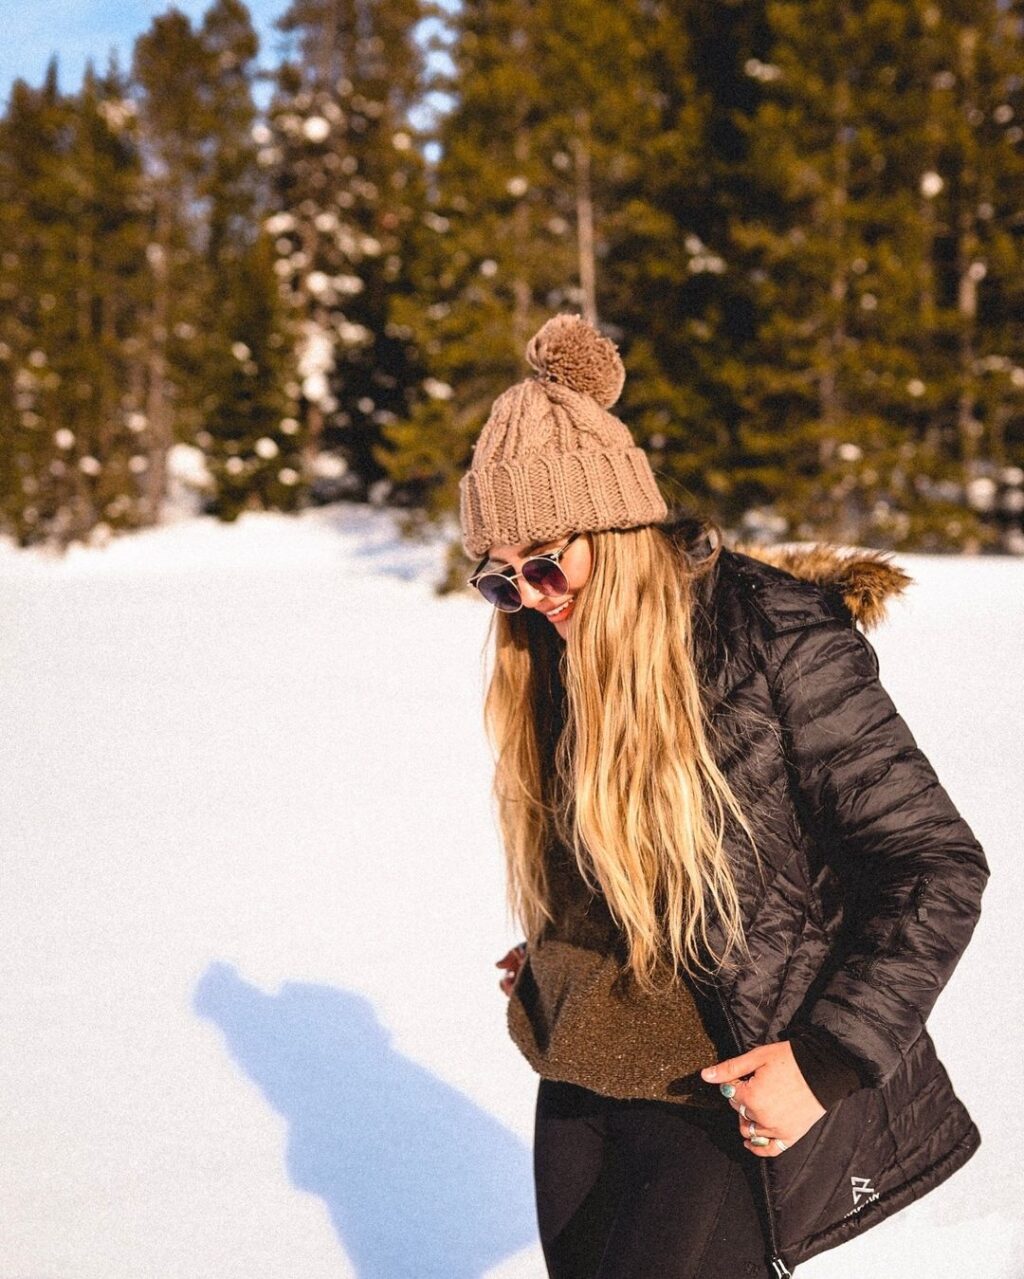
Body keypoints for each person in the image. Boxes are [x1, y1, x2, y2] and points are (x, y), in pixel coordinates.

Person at [458, 314, 990, 1278]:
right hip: (583, 1066)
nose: (531, 597)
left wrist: (825, 1062)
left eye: (545, 560)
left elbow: (935, 867)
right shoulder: (555, 650)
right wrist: (571, 938)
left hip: (719, 1084)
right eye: (501, 582)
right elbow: (639, 845)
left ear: (618, 527)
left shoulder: (776, 639)